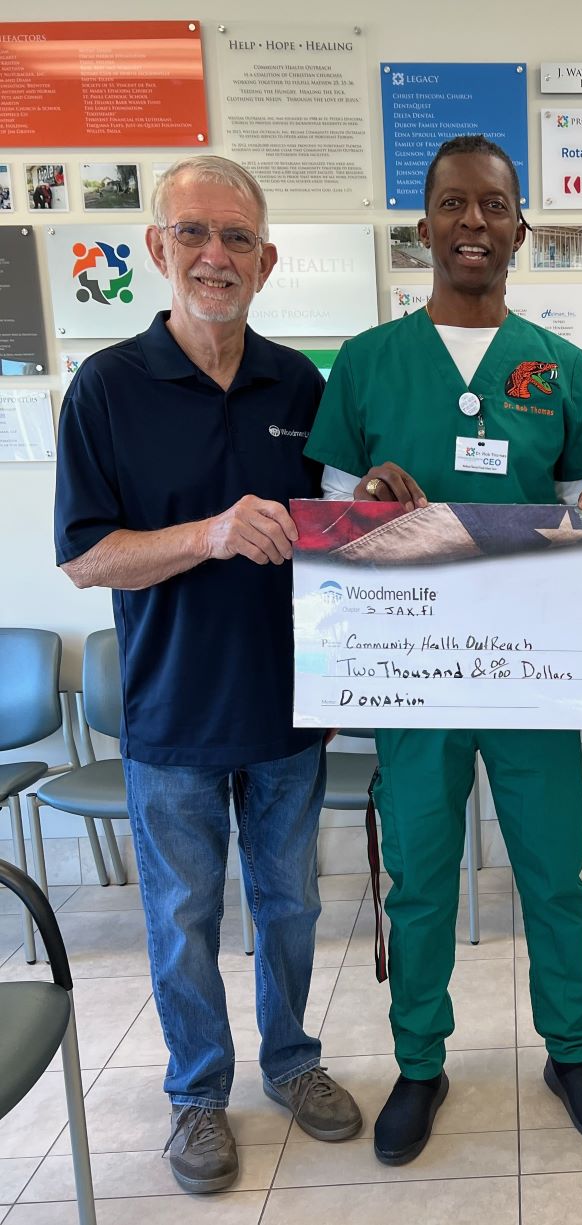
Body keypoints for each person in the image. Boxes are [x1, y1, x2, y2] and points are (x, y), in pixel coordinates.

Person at [306, 134, 582, 1165]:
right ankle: (419, 1061)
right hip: (416, 675)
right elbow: (327, 509)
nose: (474, 224)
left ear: (520, 225)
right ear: (423, 226)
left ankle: (570, 1049)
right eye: (453, 204)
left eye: (494, 205)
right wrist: (360, 501)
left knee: (553, 869)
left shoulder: (560, 366)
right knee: (420, 873)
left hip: (531, 670)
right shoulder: (365, 363)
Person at [53, 154, 361, 1194]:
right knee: (183, 915)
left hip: (288, 707)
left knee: (289, 904)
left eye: (236, 238)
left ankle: (290, 1060)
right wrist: (211, 533)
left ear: (267, 260)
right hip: (172, 710)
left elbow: (337, 530)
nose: (215, 255)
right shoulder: (106, 388)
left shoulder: (301, 383)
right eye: (193, 234)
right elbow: (87, 555)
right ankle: (197, 1092)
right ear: (156, 248)